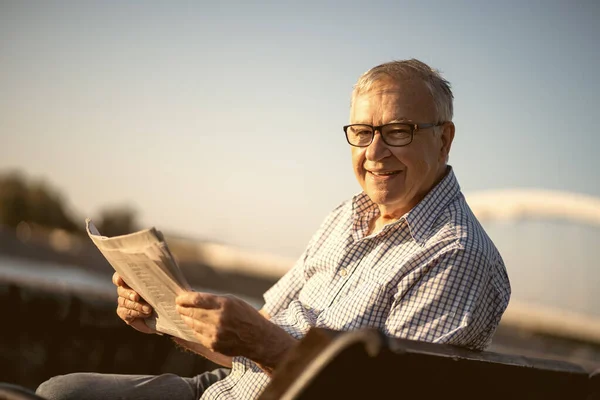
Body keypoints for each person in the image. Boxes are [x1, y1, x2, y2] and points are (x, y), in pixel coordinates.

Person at [36, 59, 511, 400]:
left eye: (399, 131)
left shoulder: (456, 255)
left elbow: (380, 394)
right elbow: (249, 342)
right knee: (58, 390)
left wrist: (262, 343)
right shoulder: (349, 215)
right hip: (231, 388)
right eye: (363, 132)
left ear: (444, 139)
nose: (375, 152)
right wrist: (166, 316)